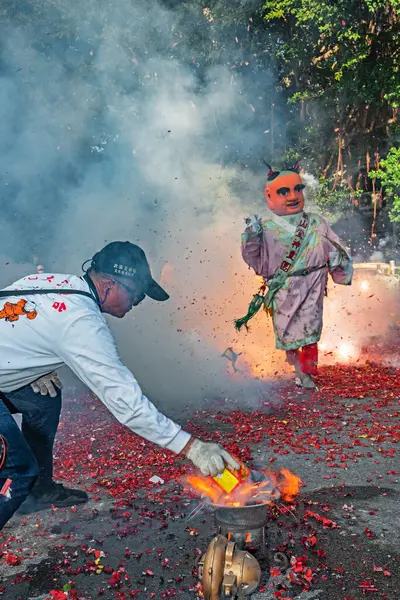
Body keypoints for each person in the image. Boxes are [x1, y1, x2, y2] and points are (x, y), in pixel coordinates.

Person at [0, 241, 239, 529]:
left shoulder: (55, 282)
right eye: (136, 297)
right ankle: (27, 483)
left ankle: (38, 492)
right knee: (17, 466)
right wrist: (193, 448)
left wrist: (29, 366)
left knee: (43, 399)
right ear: (110, 284)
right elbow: (126, 403)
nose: (136, 305)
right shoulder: (81, 322)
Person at [236, 165, 353, 389]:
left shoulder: (317, 221)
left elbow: (335, 246)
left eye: (297, 189)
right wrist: (252, 234)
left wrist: (338, 261)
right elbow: (252, 257)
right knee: (287, 331)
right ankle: (297, 367)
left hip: (314, 283)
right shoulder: (266, 227)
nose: (293, 196)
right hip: (284, 286)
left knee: (311, 328)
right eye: (283, 192)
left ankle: (307, 372)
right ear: (269, 195)